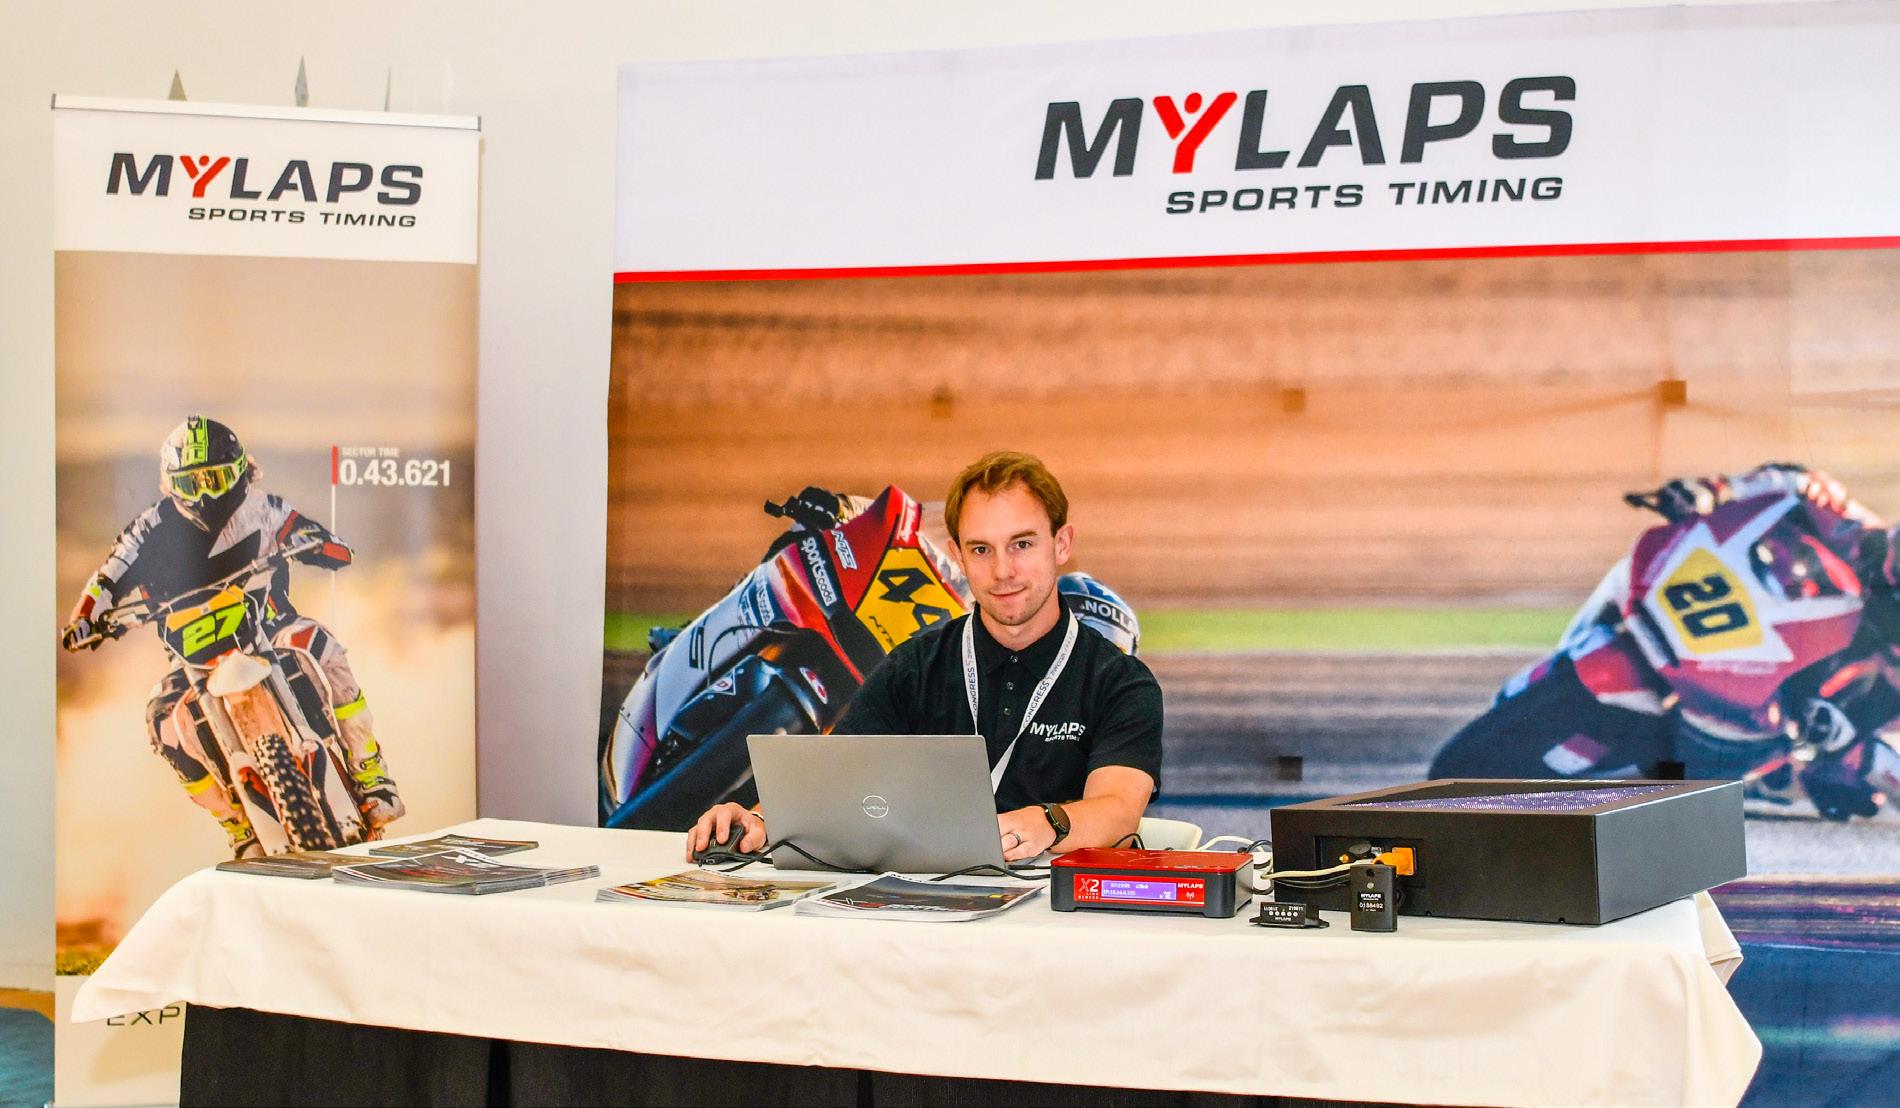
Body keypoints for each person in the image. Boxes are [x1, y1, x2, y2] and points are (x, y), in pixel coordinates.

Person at [688, 450, 1163, 862]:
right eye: (981, 549)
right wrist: (757, 818)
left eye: (1022, 544)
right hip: (925, 910)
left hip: (1054, 917)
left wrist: (1046, 824)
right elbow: (834, 776)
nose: (1003, 570)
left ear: (1061, 544)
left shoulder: (1120, 681)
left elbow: (1118, 811)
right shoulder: (913, 668)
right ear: (958, 555)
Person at [60, 416, 403, 857]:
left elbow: (310, 533)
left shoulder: (264, 508)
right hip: (193, 656)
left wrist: (324, 544)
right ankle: (235, 823)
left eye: (216, 479)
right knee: (161, 720)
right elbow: (105, 580)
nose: (205, 495)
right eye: (192, 483)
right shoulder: (147, 529)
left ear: (240, 471)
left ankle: (370, 772)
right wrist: (85, 618)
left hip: (272, 629)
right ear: (171, 485)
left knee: (324, 648)